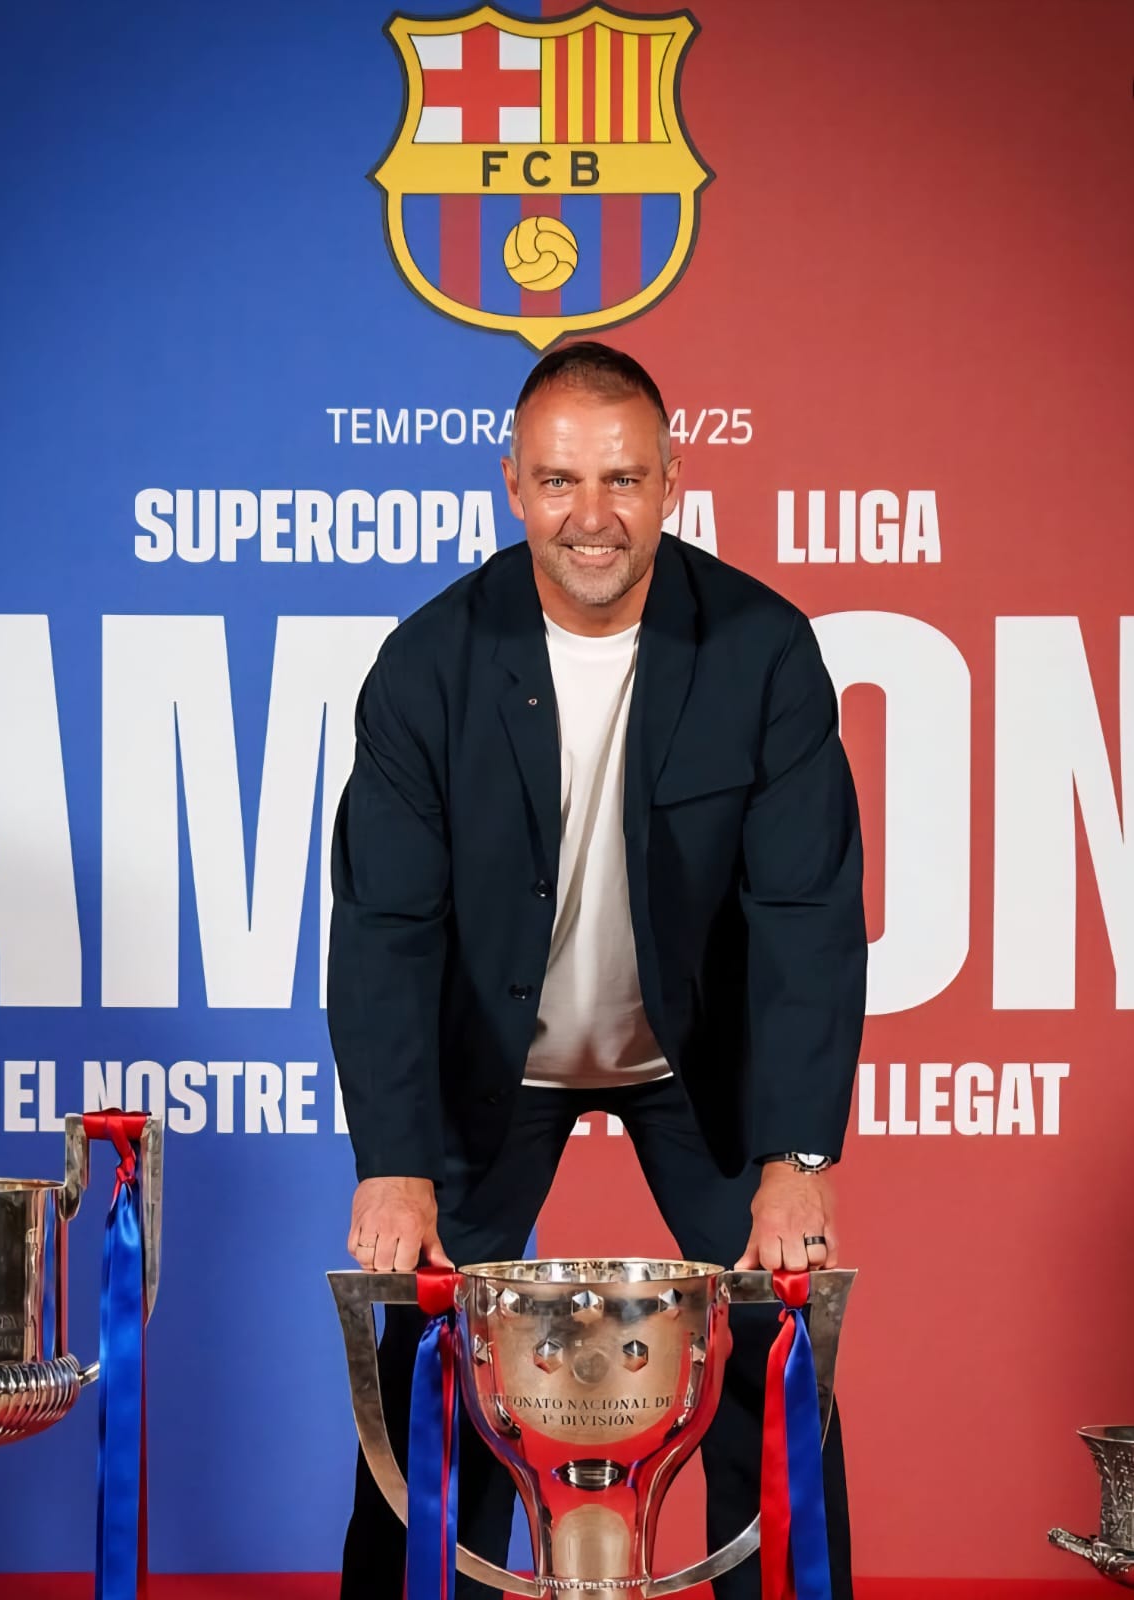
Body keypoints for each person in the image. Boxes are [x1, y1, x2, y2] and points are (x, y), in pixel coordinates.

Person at [328, 340, 867, 1598]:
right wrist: (394, 1162)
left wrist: (797, 1157)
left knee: (775, 1345)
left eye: (623, 478)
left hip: (699, 1051)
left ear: (673, 479)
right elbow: (386, 927)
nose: (592, 514)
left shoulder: (763, 650)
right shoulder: (426, 666)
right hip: (489, 1048)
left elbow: (806, 913)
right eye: (561, 479)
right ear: (514, 483)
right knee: (429, 1362)